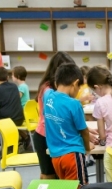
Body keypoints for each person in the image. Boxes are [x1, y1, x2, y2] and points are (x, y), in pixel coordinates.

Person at [43, 63, 91, 186]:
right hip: (72, 155)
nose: (78, 91)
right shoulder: (74, 104)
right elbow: (84, 131)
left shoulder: (47, 96)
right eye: (79, 87)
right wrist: (87, 148)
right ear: (75, 84)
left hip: (55, 156)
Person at [35, 51, 76, 179]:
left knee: (57, 177)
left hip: (55, 136)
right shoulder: (48, 90)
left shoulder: (59, 88)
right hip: (45, 136)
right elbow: (58, 117)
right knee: (49, 176)